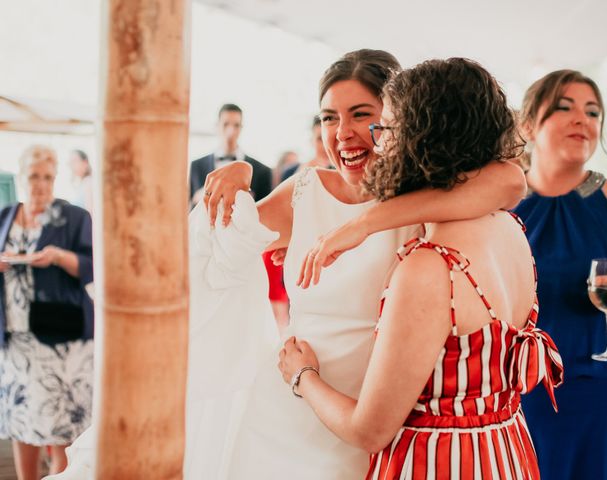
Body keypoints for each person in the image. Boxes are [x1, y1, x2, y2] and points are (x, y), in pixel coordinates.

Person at [49, 49, 525, 480]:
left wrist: (366, 223)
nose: (343, 134)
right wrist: (241, 176)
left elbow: (509, 181)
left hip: (382, 422)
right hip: (292, 409)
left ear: (400, 121)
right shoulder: (305, 193)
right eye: (328, 118)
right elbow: (216, 244)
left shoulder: (433, 197)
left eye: (363, 115)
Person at [280, 57, 563, 480]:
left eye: (386, 128)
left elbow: (370, 430)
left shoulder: (430, 267)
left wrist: (303, 375)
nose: (380, 142)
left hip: (437, 464)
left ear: (420, 138)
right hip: (505, 452)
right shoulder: (510, 228)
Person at [512, 70, 607, 480]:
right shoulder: (501, 208)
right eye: (564, 108)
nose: (582, 120)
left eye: (592, 112)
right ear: (528, 124)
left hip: (605, 397)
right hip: (519, 398)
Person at [0, 145, 94, 480]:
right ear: (21, 176)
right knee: (22, 423)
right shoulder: (6, 215)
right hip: (15, 340)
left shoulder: (73, 217)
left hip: (62, 342)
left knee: (61, 432)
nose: (41, 185)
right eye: (34, 177)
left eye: (48, 178)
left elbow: (93, 266)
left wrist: (57, 257)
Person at [188, 103, 272, 207]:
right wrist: (198, 197)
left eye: (236, 125)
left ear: (241, 128)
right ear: (217, 126)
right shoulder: (196, 166)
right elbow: (188, 211)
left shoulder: (262, 171)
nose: (231, 131)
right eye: (226, 124)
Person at [281, 116, 331, 183]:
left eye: (329, 139)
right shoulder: (290, 172)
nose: (325, 145)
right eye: (320, 139)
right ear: (311, 140)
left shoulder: (344, 173)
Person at [68, 149, 93, 216]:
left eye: (74, 161)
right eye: (70, 162)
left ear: (85, 162)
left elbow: (90, 212)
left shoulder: (88, 182)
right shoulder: (81, 184)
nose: (71, 165)